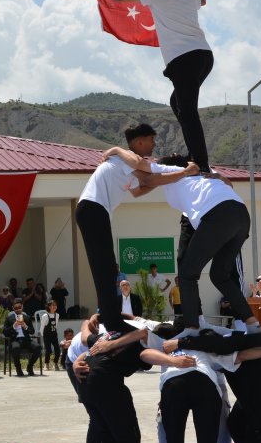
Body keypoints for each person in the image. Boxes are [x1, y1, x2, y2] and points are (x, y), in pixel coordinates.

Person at [84, 0, 213, 173]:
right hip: (203, 55)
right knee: (178, 103)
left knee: (188, 110)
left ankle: (200, 163)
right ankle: (194, 154)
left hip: (184, 59)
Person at [76, 124, 198, 337]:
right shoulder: (126, 159)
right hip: (92, 210)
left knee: (106, 269)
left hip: (96, 212)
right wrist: (185, 172)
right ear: (139, 141)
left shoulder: (131, 165)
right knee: (104, 269)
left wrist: (177, 175)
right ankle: (112, 321)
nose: (155, 144)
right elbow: (149, 177)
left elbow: (140, 190)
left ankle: (111, 317)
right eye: (152, 140)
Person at [136, 154, 261, 334]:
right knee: (220, 275)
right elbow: (229, 184)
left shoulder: (173, 171)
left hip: (216, 216)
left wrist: (118, 156)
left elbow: (146, 179)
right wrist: (219, 177)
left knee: (187, 274)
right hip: (240, 215)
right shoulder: (204, 170)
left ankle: (192, 327)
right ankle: (252, 323)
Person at [72, 319, 156, 443]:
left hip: (87, 383)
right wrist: (175, 360)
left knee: (109, 436)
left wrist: (89, 322)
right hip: (106, 384)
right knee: (128, 439)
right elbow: (145, 338)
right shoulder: (139, 338)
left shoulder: (105, 336)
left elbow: (85, 334)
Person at [4, 301, 42, 376]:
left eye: (19, 307)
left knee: (38, 347)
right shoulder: (9, 318)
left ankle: (30, 366)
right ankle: (18, 368)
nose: (18, 309)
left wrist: (25, 326)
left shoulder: (27, 317)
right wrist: (14, 326)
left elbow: (32, 331)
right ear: (13, 308)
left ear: (22, 307)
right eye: (16, 308)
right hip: (15, 339)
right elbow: (5, 332)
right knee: (16, 348)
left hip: (26, 339)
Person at [38, 300, 62, 371]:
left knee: (57, 350)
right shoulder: (45, 316)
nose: (54, 306)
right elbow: (42, 327)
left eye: (55, 305)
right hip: (47, 335)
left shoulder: (57, 315)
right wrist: (43, 337)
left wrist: (55, 332)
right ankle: (46, 364)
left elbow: (56, 325)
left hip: (54, 334)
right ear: (49, 306)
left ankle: (55, 363)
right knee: (48, 350)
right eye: (52, 305)